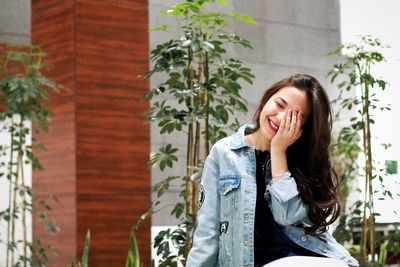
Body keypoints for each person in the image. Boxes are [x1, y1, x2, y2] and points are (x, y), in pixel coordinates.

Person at [186, 74, 359, 267]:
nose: (280, 118)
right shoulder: (224, 153)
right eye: (279, 104)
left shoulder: (304, 161)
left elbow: (287, 216)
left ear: (303, 128)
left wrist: (279, 152)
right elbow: (207, 232)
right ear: (266, 99)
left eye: (295, 116)